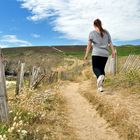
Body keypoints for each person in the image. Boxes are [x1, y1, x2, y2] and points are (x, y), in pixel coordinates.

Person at [84, 18, 116, 92]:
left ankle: (99, 77)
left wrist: (86, 55)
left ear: (94, 25)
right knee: (101, 69)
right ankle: (100, 87)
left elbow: (89, 45)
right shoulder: (106, 32)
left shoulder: (92, 33)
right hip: (105, 54)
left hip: (96, 53)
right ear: (101, 24)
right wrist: (113, 52)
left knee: (95, 68)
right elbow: (110, 42)